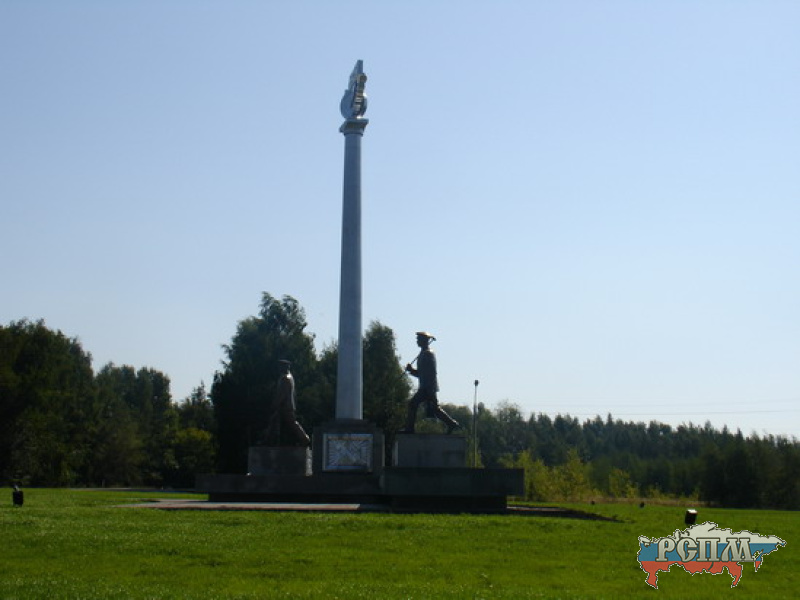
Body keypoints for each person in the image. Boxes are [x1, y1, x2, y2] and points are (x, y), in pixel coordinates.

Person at [401, 332, 460, 434]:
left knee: (412, 404)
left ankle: (409, 429)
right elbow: (421, 374)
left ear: (424, 340)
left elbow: (431, 373)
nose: (417, 341)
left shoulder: (428, 354)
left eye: (419, 339)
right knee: (435, 409)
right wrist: (411, 370)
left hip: (427, 387)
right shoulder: (423, 353)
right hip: (426, 387)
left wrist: (429, 389)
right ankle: (451, 423)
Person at [264, 360, 310, 446]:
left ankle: (304, 439)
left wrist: (275, 404)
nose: (279, 369)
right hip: (287, 405)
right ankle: (269, 440)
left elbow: (282, 394)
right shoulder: (289, 377)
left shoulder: (285, 378)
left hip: (285, 406)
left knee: (291, 423)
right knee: (277, 422)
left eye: (281, 366)